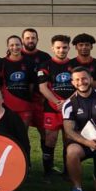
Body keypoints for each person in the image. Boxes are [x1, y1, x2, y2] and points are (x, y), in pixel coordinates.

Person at [37, 34, 77, 178]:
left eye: (64, 47)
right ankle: (48, 171)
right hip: (51, 109)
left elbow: (80, 87)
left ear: (69, 48)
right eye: (58, 47)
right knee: (50, 139)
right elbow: (43, 88)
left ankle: (68, 171)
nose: (61, 50)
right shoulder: (45, 65)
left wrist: (67, 103)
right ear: (52, 48)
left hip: (70, 109)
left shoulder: (75, 65)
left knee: (69, 139)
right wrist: (56, 102)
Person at [0, 35, 35, 127]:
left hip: (25, 105)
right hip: (6, 106)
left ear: (21, 45)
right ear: (8, 46)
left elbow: (32, 85)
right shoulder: (0, 64)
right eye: (12, 45)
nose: (15, 47)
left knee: (22, 134)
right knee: (7, 134)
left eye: (17, 45)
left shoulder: (29, 63)